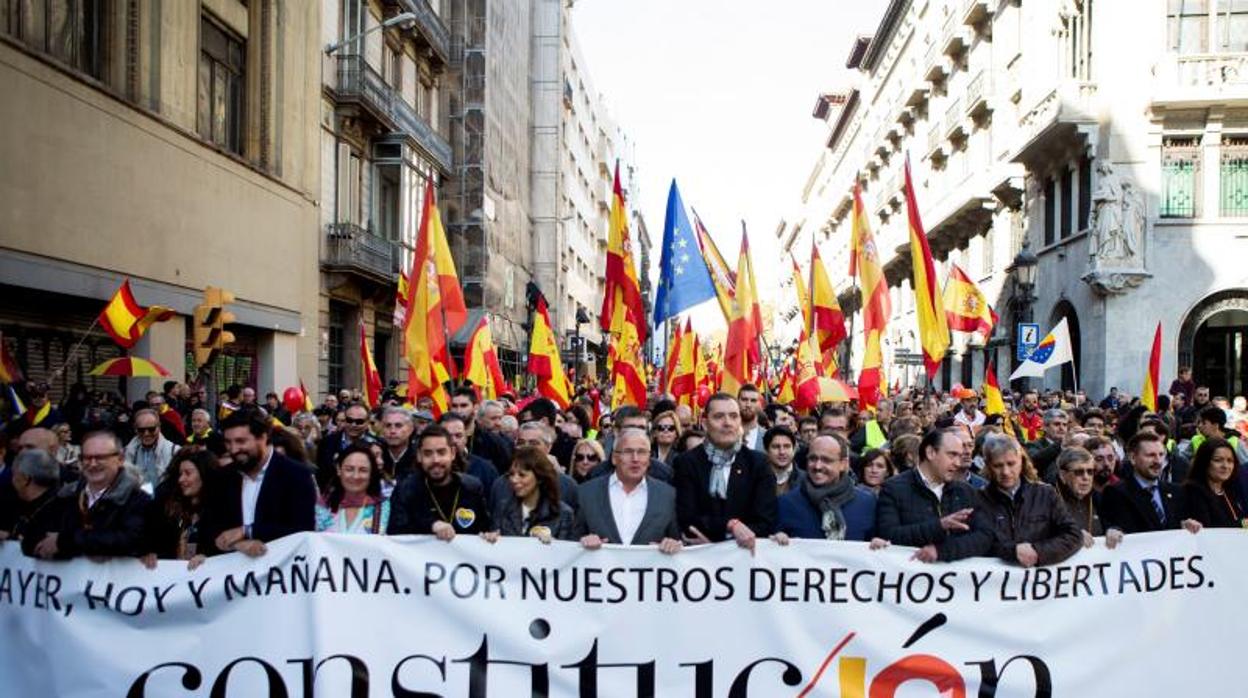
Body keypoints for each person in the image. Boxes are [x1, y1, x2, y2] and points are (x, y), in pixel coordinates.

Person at [199, 409, 318, 557]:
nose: (234, 449)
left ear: (263, 437)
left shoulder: (296, 475)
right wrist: (238, 545)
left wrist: (248, 531)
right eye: (228, 442)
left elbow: (302, 530)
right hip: (232, 574)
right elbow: (209, 530)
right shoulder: (222, 477)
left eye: (241, 441)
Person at [674, 392, 777, 551]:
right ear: (705, 422)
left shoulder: (758, 464)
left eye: (734, 416)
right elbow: (687, 516)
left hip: (745, 560)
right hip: (698, 562)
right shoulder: (687, 463)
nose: (727, 423)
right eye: (719, 416)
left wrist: (718, 546)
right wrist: (730, 525)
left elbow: (765, 521)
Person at [28, 430, 150, 560]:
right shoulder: (66, 495)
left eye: (100, 457)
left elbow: (132, 541)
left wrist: (65, 542)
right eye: (86, 458)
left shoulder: (138, 499)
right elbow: (32, 535)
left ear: (120, 459)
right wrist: (59, 549)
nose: (92, 464)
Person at [875, 428, 992, 562]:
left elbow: (984, 536)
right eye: (952, 455)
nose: (957, 463)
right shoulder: (893, 488)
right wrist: (939, 526)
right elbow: (889, 535)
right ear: (930, 452)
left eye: (959, 456)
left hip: (954, 579)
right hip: (910, 576)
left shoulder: (966, 491)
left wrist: (942, 552)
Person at [976, 434, 1082, 567]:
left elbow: (1073, 534)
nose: (1006, 472)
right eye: (998, 466)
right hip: (997, 583)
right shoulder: (978, 499)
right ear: (988, 466)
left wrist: (1038, 551)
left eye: (1011, 464)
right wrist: (1013, 551)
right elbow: (977, 542)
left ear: (1021, 461)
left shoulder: (1045, 494)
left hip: (1039, 581)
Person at [574, 428, 681, 552]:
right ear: (614, 458)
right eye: (628, 452)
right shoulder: (586, 493)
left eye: (642, 452)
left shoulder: (667, 495)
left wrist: (672, 544)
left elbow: (676, 539)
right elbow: (570, 542)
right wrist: (583, 541)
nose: (635, 459)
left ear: (649, 459)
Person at [387, 424, 491, 540]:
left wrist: (488, 536)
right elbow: (395, 534)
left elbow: (484, 527)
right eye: (428, 454)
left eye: (441, 452)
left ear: (452, 453)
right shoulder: (405, 489)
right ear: (419, 456)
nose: (435, 460)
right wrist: (431, 525)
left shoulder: (472, 487)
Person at [774, 434, 876, 542]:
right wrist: (776, 541)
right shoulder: (786, 503)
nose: (817, 466)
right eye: (813, 459)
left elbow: (876, 546)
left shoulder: (867, 503)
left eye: (826, 460)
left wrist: (880, 544)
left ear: (843, 464)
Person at [1101, 431, 1203, 536]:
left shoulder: (1176, 491)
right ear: (1132, 458)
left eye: (1161, 454)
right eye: (1151, 455)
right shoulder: (1117, 493)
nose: (1158, 461)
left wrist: (1185, 525)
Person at [143, 448, 215, 568]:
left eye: (188, 473)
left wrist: (208, 557)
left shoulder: (219, 512)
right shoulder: (169, 511)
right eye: (180, 474)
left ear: (204, 474)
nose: (181, 479)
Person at [488, 445, 575, 543]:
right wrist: (489, 538)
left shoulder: (563, 514)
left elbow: (567, 553)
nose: (514, 480)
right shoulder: (502, 507)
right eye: (511, 474)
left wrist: (553, 544)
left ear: (539, 477)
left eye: (522, 475)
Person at [315, 445, 390, 534]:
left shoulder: (383, 507)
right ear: (339, 469)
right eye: (349, 469)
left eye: (363, 470)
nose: (355, 476)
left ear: (371, 473)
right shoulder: (324, 505)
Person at [0, 449, 60, 548]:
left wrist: (10, 537)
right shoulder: (12, 501)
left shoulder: (61, 510)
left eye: (14, 475)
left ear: (25, 479)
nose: (12, 480)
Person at [1055, 447, 1114, 548]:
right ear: (1063, 475)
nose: (1086, 477)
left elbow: (1111, 523)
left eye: (1090, 472)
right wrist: (1071, 535)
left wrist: (1114, 529)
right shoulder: (1047, 499)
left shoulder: (1100, 498)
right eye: (1079, 472)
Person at [1182, 438, 1246, 528]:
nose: (1225, 466)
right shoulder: (1193, 491)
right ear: (1204, 462)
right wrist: (1243, 524)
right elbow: (1208, 528)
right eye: (1218, 460)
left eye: (1230, 461)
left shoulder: (1231, 490)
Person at [450, 387, 513, 475]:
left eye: (464, 405)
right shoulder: (442, 438)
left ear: (475, 407)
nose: (458, 411)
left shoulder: (493, 442)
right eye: (454, 406)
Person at [315, 402, 380, 486]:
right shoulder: (327, 442)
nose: (353, 425)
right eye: (350, 420)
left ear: (367, 422)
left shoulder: (377, 445)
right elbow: (321, 474)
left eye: (359, 421)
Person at [439, 412, 500, 492]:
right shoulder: (428, 470)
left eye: (458, 436)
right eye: (447, 435)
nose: (453, 441)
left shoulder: (486, 469)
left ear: (465, 437)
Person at [124, 408, 180, 489]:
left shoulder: (174, 451)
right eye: (141, 430)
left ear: (159, 427)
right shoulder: (127, 452)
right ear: (135, 429)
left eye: (151, 429)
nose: (146, 434)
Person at [377, 406, 417, 491]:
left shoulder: (419, 457)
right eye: (388, 426)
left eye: (398, 426)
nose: (392, 431)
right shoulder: (375, 455)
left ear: (410, 429)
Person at [1029, 409, 1069, 482]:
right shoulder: (1033, 445)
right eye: (1057, 424)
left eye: (1065, 425)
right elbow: (1035, 461)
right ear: (1044, 427)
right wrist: (1061, 444)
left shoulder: (1070, 446)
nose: (1062, 428)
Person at [763, 425, 803, 496]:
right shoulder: (755, 480)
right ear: (766, 450)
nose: (782, 452)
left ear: (794, 449)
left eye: (787, 446)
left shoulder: (805, 481)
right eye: (776, 447)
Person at [737, 384, 765, 451]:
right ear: (737, 401)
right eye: (744, 399)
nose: (748, 405)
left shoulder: (768, 437)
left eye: (753, 401)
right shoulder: (726, 434)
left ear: (759, 404)